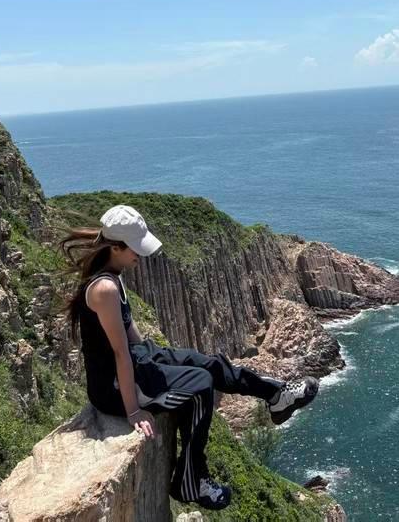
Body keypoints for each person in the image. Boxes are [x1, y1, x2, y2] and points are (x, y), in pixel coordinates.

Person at [58, 204, 319, 512]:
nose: (140, 255)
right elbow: (118, 353)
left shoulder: (114, 275)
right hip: (113, 387)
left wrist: (159, 357)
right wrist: (133, 411)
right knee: (200, 385)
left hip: (134, 359)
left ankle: (275, 395)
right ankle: (191, 479)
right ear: (115, 247)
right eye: (135, 249)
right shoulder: (104, 289)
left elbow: (129, 334)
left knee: (206, 362)